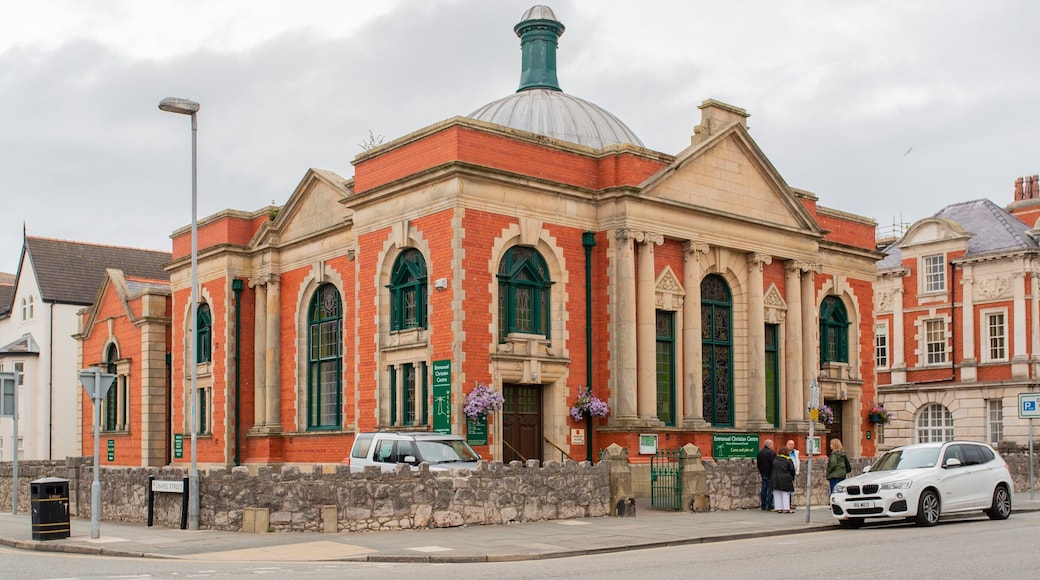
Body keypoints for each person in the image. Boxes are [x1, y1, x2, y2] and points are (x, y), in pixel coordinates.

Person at [770, 445, 796, 513]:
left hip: (775, 478)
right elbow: (792, 470)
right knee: (785, 494)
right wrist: (792, 477)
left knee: (777, 493)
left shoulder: (776, 459)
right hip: (785, 479)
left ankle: (778, 508)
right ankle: (786, 508)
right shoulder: (788, 460)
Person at [756, 439, 776, 510]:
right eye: (772, 444)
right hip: (770, 474)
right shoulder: (772, 453)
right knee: (770, 490)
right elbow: (774, 464)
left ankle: (763, 505)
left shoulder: (760, 453)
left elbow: (758, 464)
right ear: (770, 445)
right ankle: (769, 505)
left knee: (763, 490)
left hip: (763, 473)